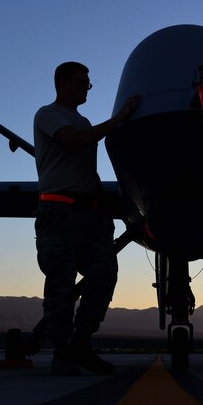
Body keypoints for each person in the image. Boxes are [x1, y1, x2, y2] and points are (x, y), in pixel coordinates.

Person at [34, 61, 139, 376]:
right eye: (83, 83)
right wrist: (118, 120)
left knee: (104, 275)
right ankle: (62, 354)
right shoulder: (48, 115)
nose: (87, 89)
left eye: (88, 84)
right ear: (63, 83)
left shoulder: (84, 122)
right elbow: (74, 141)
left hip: (91, 212)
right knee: (61, 284)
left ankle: (81, 344)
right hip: (59, 212)